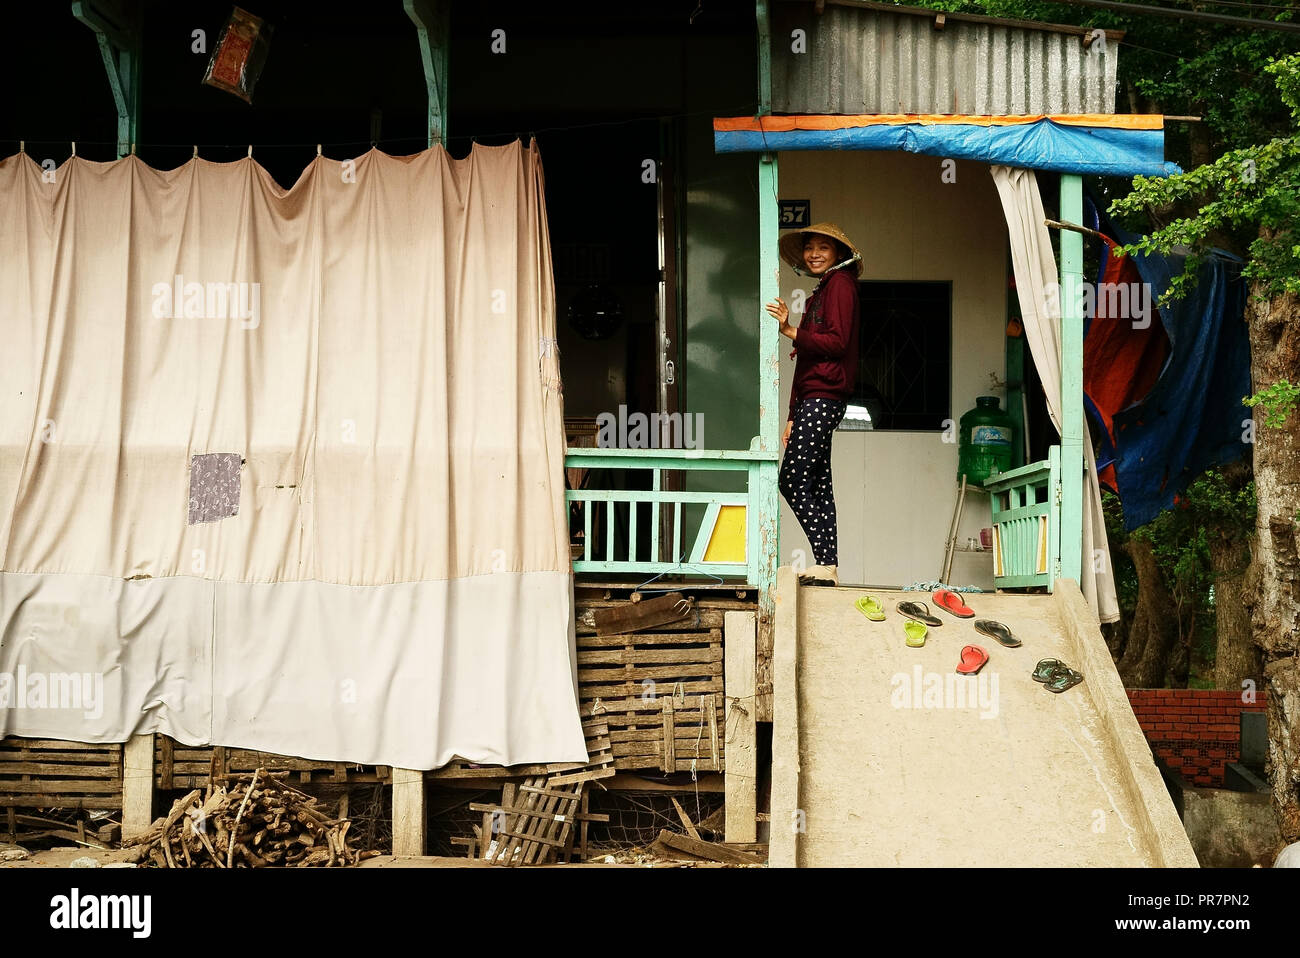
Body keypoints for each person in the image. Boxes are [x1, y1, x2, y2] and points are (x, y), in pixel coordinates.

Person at [764, 223, 862, 588]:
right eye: (810, 248)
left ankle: (825, 559)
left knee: (790, 480)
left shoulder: (841, 285)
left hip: (825, 397)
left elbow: (836, 343)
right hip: (812, 399)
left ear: (839, 253)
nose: (815, 253)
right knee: (819, 484)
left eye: (824, 247)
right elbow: (804, 360)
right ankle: (827, 566)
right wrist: (791, 415)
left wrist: (791, 330)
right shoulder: (821, 291)